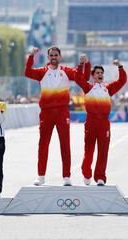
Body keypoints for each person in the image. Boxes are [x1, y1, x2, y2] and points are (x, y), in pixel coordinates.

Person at [24, 46, 90, 186]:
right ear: (48, 57)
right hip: (46, 112)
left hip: (62, 112)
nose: (54, 57)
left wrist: (84, 64)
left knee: (65, 144)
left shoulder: (66, 71)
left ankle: (66, 177)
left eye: (56, 55)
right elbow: (28, 72)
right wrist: (31, 57)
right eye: (51, 55)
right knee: (43, 144)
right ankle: (41, 176)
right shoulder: (42, 72)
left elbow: (83, 78)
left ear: (60, 57)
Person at [75, 59, 127, 186]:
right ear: (93, 76)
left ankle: (100, 177)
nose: (100, 75)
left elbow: (122, 81)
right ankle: (86, 173)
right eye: (97, 73)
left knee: (103, 151)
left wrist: (120, 66)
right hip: (91, 122)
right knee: (89, 151)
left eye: (101, 73)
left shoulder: (107, 89)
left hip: (104, 123)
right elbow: (77, 78)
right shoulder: (88, 87)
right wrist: (82, 64)